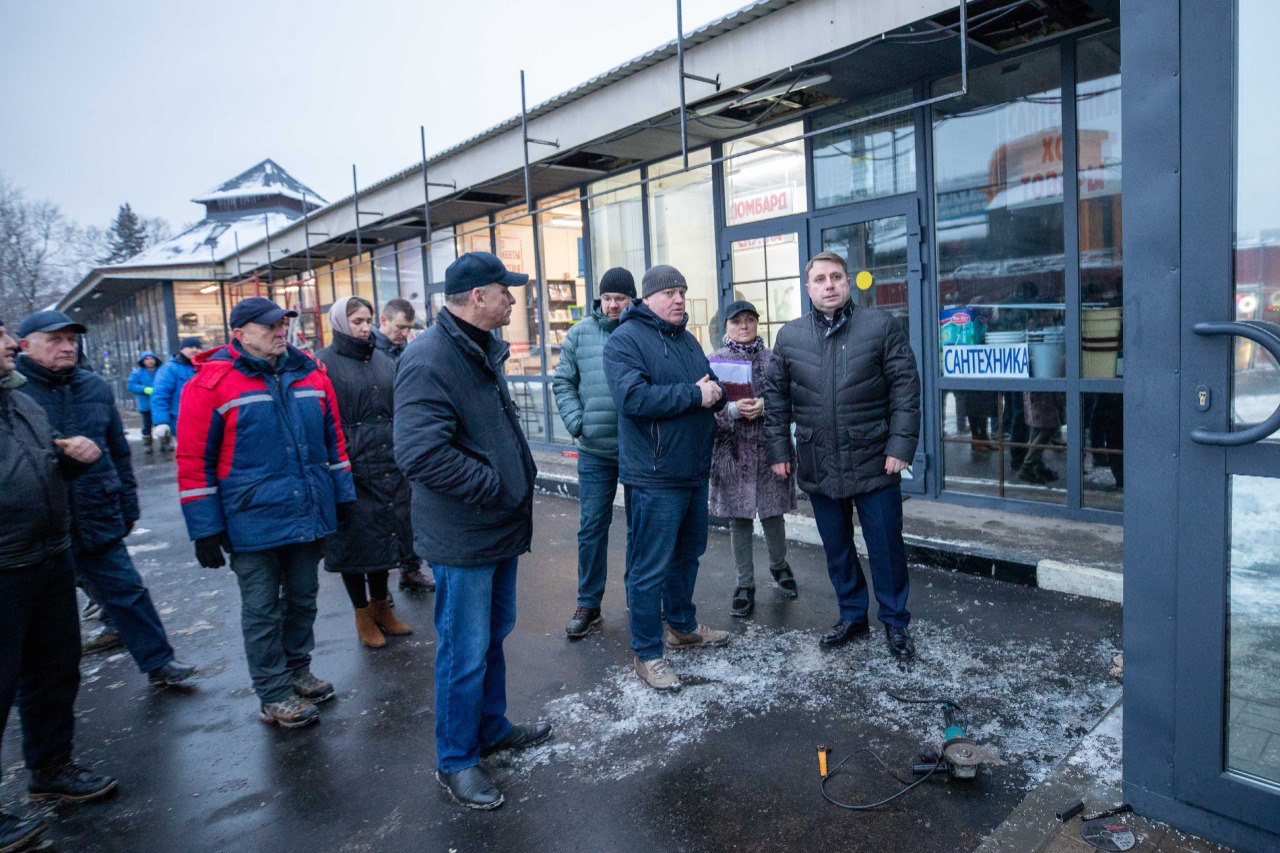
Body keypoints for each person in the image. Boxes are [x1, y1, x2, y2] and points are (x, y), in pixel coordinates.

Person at [395, 252, 550, 810]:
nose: (513, 299)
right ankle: (456, 760)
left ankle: (491, 727)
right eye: (505, 290)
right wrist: (494, 485)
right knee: (463, 650)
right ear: (478, 297)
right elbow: (420, 453)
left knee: (491, 636)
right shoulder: (430, 358)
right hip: (465, 535)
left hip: (495, 528)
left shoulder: (477, 348)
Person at [176, 297, 356, 729]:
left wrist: (343, 496)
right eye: (269, 326)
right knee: (261, 608)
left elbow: (334, 440)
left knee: (302, 599)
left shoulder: (311, 374)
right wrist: (205, 528)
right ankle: (274, 692)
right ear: (239, 334)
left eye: (283, 324)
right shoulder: (210, 384)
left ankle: (297, 670)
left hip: (306, 511)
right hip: (251, 519)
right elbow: (193, 459)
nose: (280, 331)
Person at [15, 310, 196, 687]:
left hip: (97, 509)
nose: (67, 347)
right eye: (55, 340)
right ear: (25, 345)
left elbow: (117, 448)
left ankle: (159, 662)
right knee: (41, 612)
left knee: (127, 590)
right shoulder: (13, 392)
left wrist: (128, 502)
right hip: (40, 521)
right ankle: (36, 690)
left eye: (71, 339)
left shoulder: (94, 386)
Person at [764, 251, 921, 659]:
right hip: (819, 458)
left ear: (848, 283)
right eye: (820, 279)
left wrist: (899, 448)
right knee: (836, 547)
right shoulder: (790, 336)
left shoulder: (880, 326)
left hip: (874, 458)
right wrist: (779, 449)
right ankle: (852, 615)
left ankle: (895, 621)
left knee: (885, 546)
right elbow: (776, 400)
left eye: (836, 277)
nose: (829, 285)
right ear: (808, 287)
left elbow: (905, 388)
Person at [1, 317, 118, 853]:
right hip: (3, 567)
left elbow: (42, 464)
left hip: (48, 557)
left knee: (54, 670)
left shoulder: (20, 402)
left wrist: (73, 463)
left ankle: (53, 767)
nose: (8, 345)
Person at [604, 264, 731, 692]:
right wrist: (697, 395)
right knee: (649, 567)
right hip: (655, 475)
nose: (679, 300)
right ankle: (647, 652)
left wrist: (718, 394)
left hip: (693, 469)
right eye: (671, 293)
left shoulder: (688, 340)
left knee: (687, 554)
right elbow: (633, 398)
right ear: (648, 298)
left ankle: (681, 625)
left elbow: (709, 383)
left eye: (683, 291)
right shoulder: (625, 339)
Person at [315, 296, 415, 648]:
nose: (363, 327)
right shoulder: (323, 363)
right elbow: (323, 421)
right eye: (357, 320)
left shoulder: (381, 360)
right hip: (351, 469)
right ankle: (362, 615)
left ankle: (382, 608)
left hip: (387, 464)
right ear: (340, 322)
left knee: (383, 541)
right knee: (354, 547)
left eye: (368, 320)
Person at [551, 267, 636, 639]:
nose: (614, 304)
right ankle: (589, 602)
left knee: (642, 527)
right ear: (600, 299)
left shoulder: (643, 332)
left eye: (621, 298)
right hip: (595, 449)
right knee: (592, 528)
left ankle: (640, 595)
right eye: (608, 298)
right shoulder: (580, 333)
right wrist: (577, 422)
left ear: (632, 299)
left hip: (638, 448)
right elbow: (563, 382)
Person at [708, 300, 798, 618]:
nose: (744, 326)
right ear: (726, 327)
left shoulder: (773, 359)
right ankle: (744, 584)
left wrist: (766, 405)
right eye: (737, 321)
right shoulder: (714, 362)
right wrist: (731, 410)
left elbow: (790, 399)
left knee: (773, 514)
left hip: (769, 448)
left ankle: (779, 565)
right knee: (740, 520)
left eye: (750, 320)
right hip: (731, 452)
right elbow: (704, 409)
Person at [371, 297, 434, 594]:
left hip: (405, 437)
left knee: (410, 509)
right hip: (381, 443)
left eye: (408, 328)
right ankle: (379, 592)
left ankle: (410, 569)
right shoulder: (371, 353)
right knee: (385, 514)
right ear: (383, 321)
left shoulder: (405, 351)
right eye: (399, 327)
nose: (404, 333)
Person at [150, 336, 202, 453]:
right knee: (188, 460)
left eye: (198, 347)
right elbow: (159, 396)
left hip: (205, 423)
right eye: (190, 347)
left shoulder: (204, 366)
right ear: (182, 349)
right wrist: (161, 422)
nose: (195, 350)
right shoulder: (169, 369)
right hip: (180, 424)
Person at [126, 350, 160, 454]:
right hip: (146, 405)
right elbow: (131, 385)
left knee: (162, 423)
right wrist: (144, 389)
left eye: (152, 358)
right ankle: (147, 444)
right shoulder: (137, 373)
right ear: (143, 361)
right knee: (147, 425)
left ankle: (165, 442)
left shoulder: (161, 371)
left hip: (160, 403)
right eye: (147, 359)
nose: (150, 361)